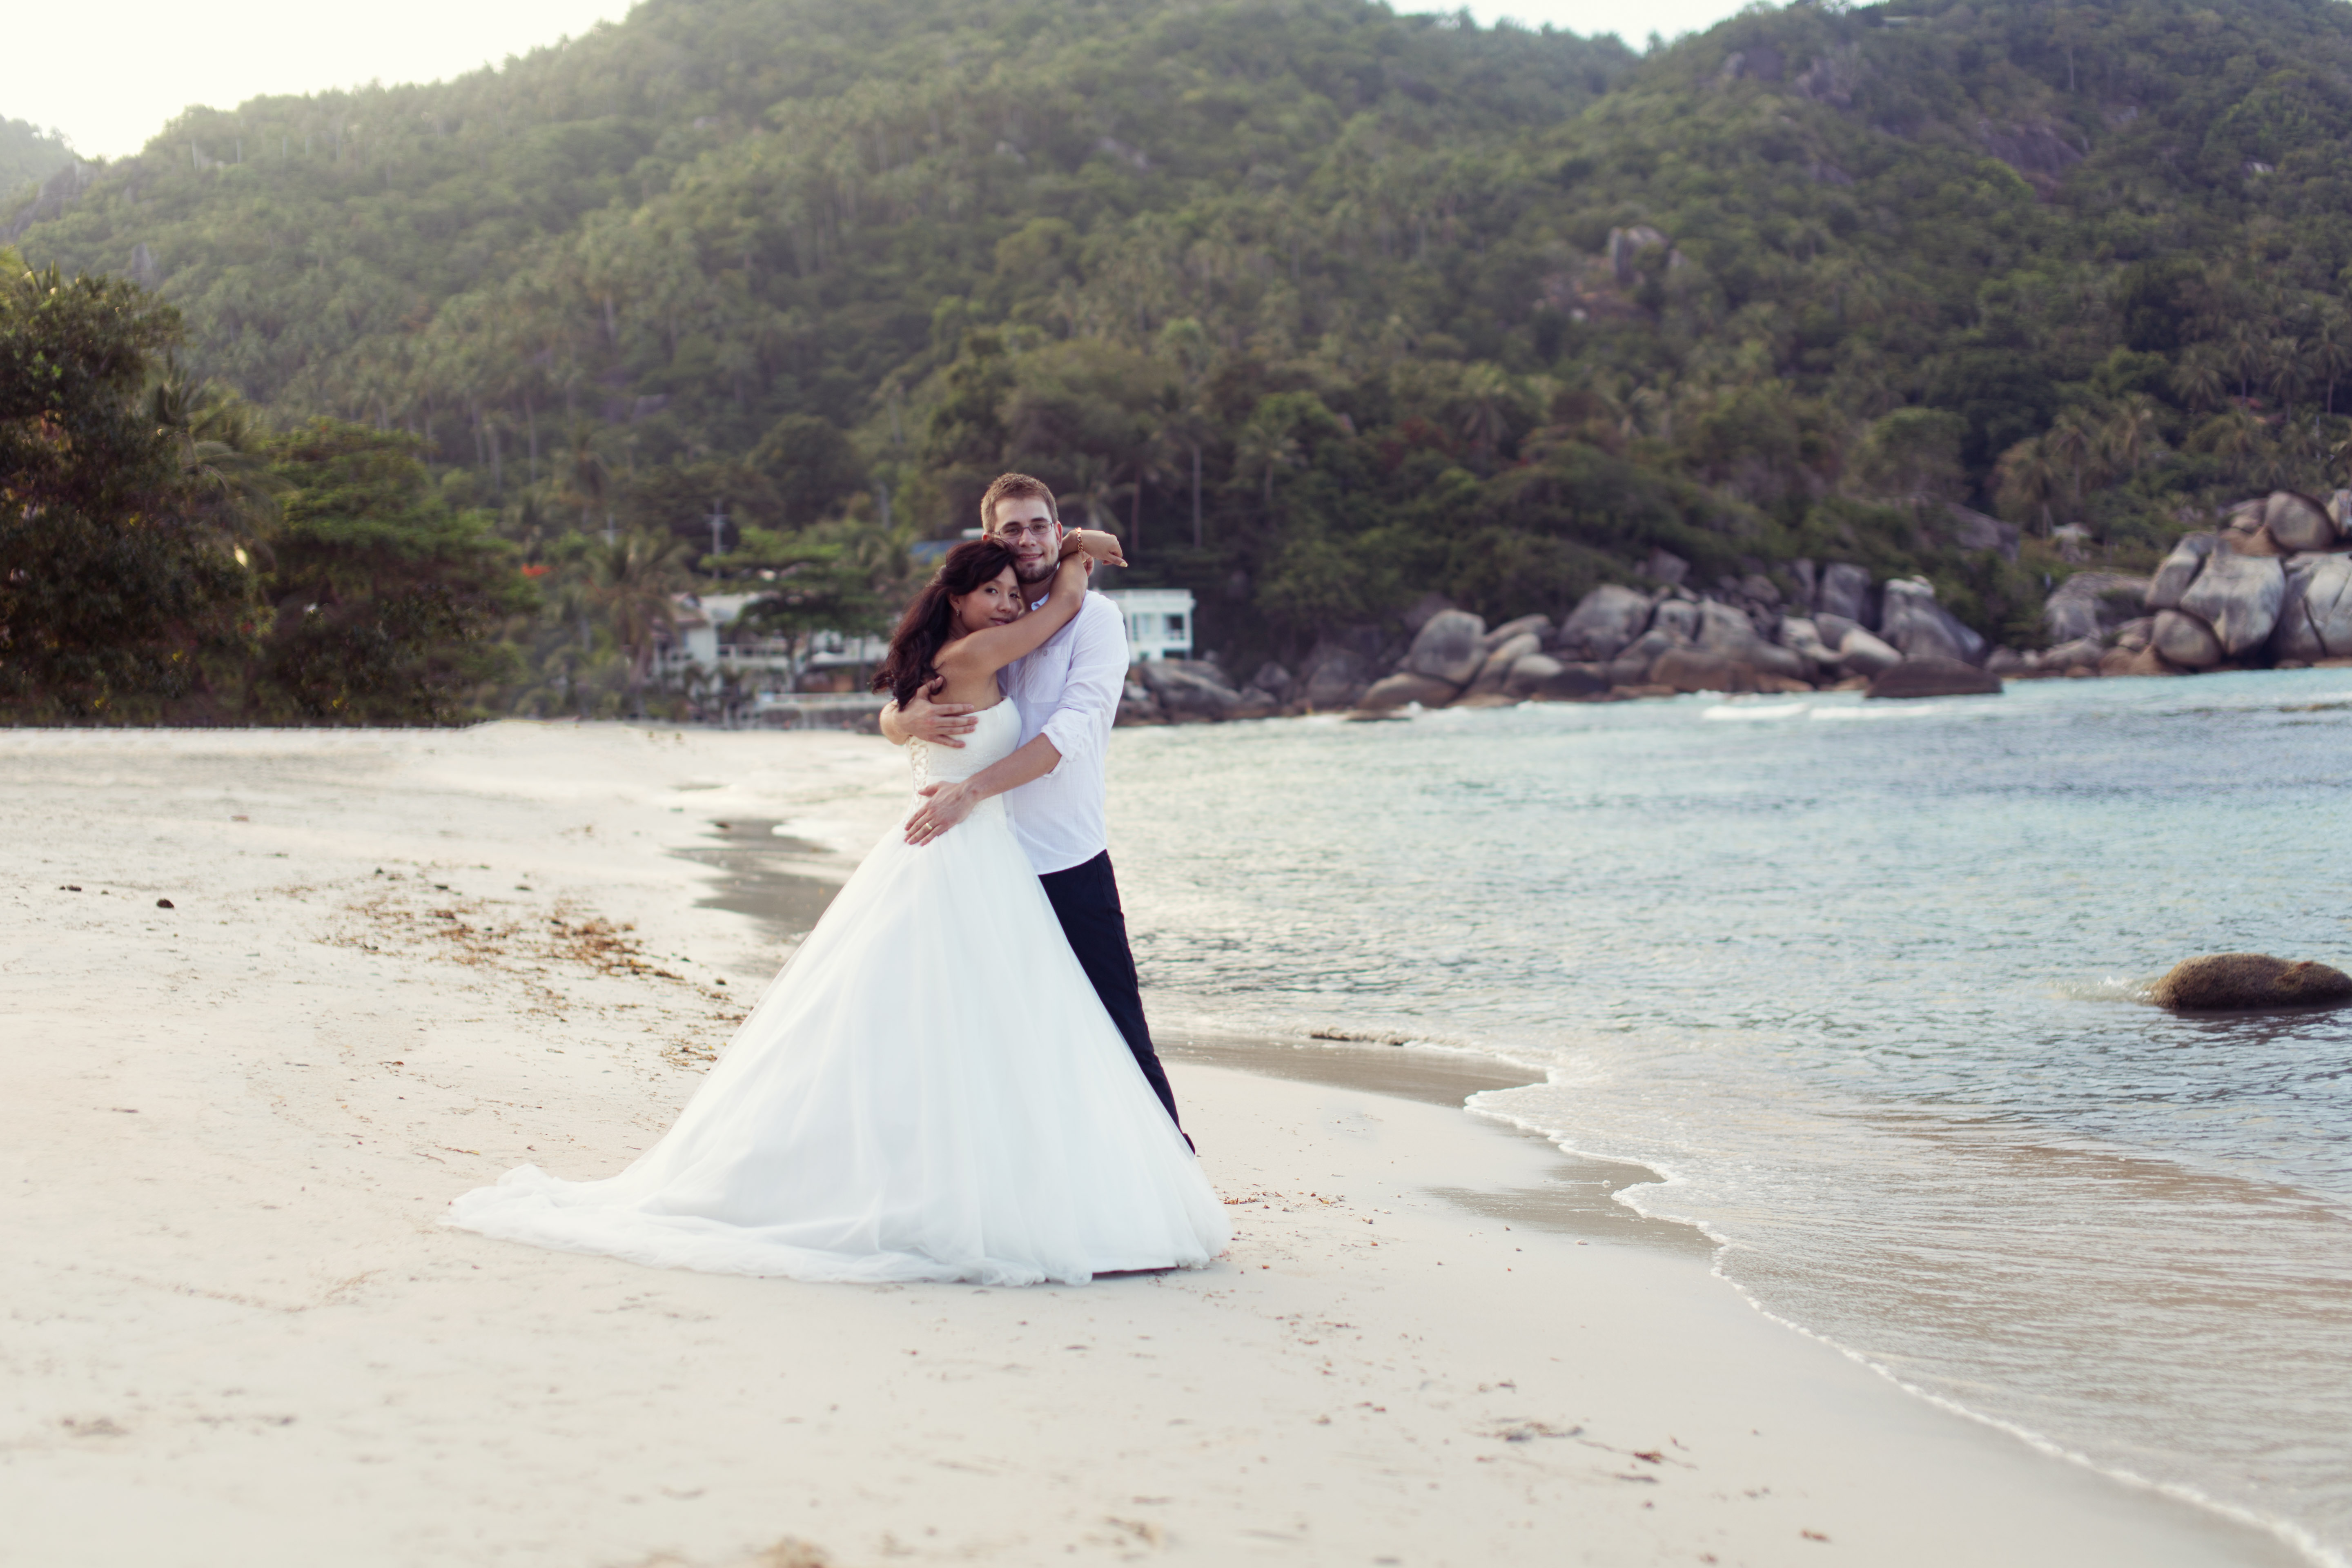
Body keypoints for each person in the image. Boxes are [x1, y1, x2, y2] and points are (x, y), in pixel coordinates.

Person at [446, 529, 1229, 1286]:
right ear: (956, 600)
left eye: (1003, 587)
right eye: (986, 591)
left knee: (978, 1028)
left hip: (994, 855)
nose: (1000, 600)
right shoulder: (985, 647)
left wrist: (910, 718)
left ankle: (1009, 1177)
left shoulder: (956, 654)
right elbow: (1058, 611)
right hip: (966, 850)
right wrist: (1079, 550)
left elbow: (939, 707)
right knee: (974, 1029)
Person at [882, 473, 1186, 1136]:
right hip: (981, 863)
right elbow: (909, 700)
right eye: (1011, 529)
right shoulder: (993, 616)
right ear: (991, 540)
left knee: (1116, 1028)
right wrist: (902, 723)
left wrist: (969, 790)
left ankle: (1175, 1170)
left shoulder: (1096, 621)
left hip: (1063, 856)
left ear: (1056, 529)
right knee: (994, 1039)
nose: (1027, 539)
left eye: (1041, 526)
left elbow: (1064, 739)